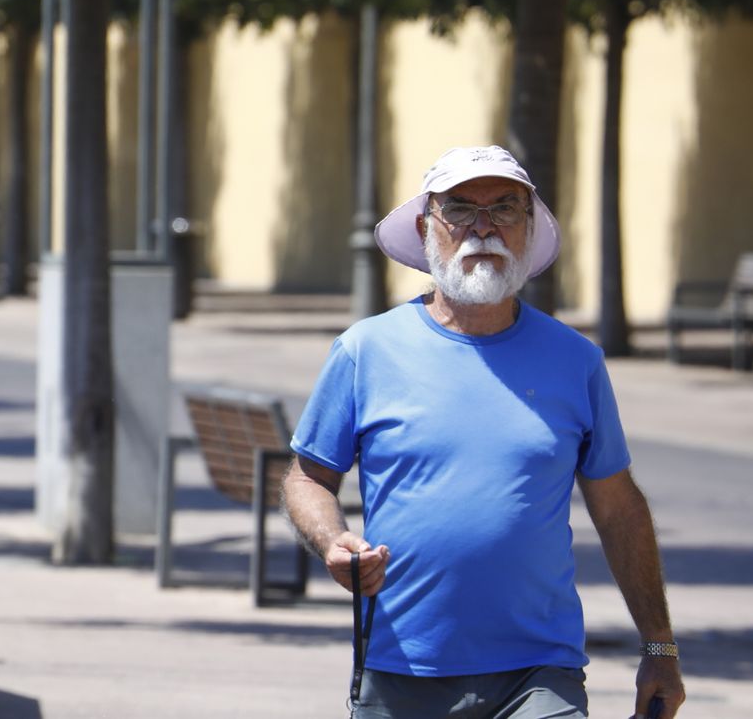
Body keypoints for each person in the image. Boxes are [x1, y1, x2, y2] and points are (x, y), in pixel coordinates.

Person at [284, 145, 686, 719]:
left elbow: (619, 507)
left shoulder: (575, 360)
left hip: (540, 671)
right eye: (460, 209)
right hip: (402, 664)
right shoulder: (366, 351)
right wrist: (332, 541)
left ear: (529, 228)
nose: (483, 228)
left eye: (504, 208)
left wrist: (659, 647)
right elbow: (307, 478)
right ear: (426, 227)